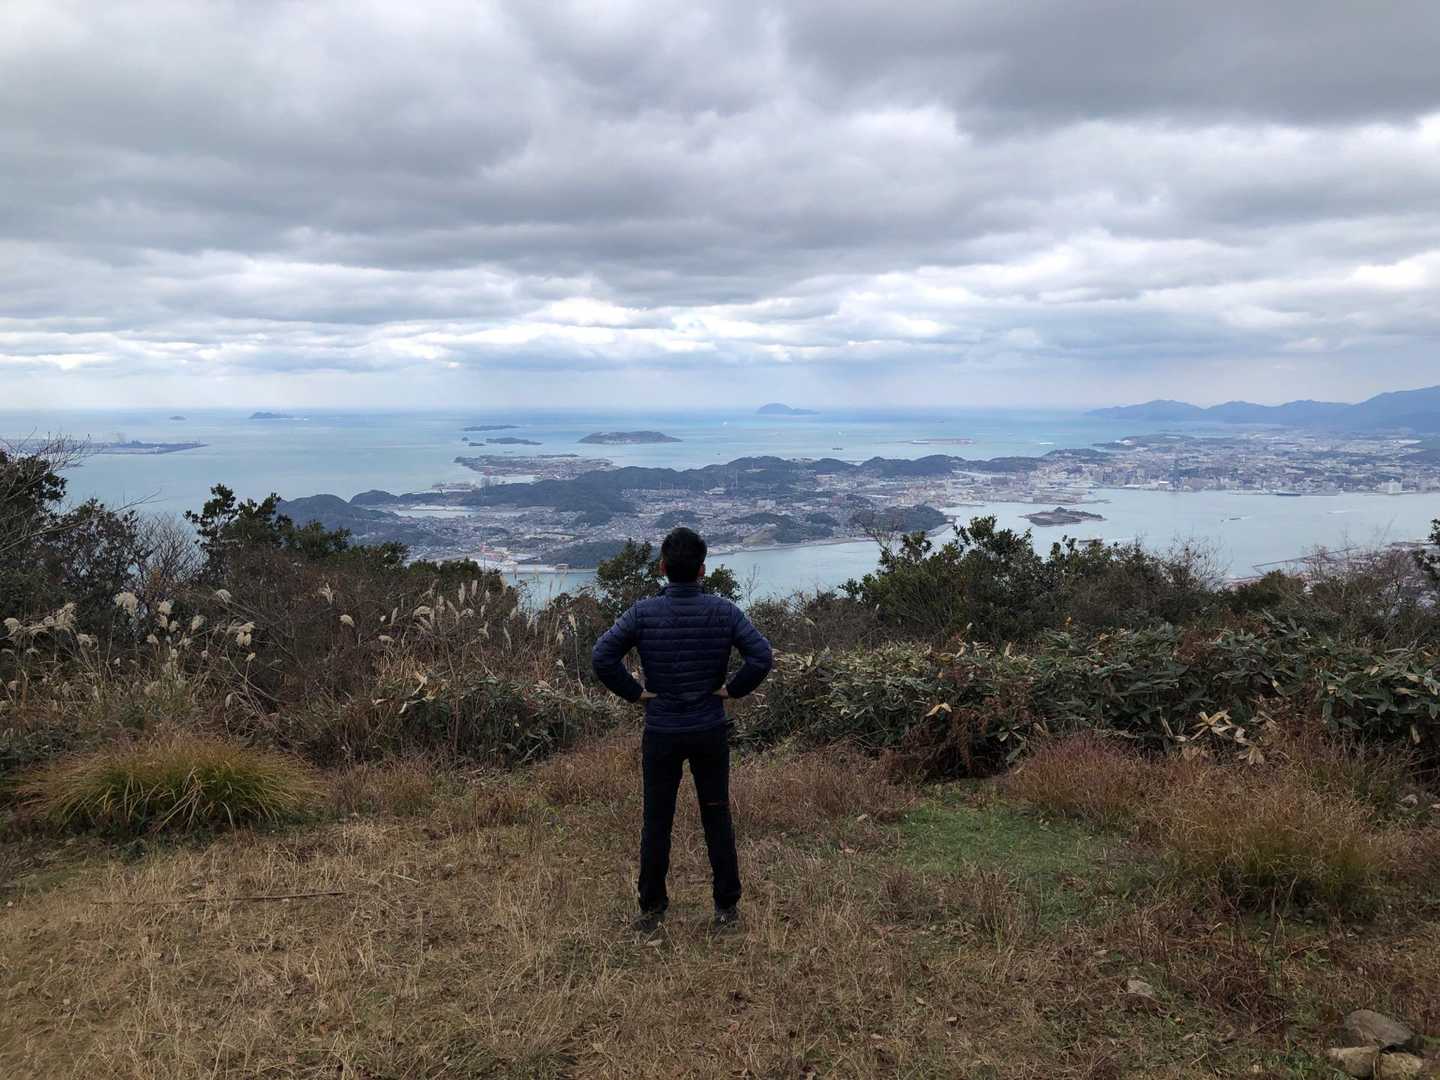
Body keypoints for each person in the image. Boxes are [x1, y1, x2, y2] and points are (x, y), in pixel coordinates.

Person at [591, 527, 773, 933]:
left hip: (662, 731)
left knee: (657, 819)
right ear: (702, 570)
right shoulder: (724, 611)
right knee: (717, 814)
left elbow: (602, 656)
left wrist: (636, 694)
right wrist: (731, 690)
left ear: (662, 567)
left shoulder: (643, 613)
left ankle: (652, 909)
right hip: (709, 727)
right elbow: (761, 656)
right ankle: (726, 907)